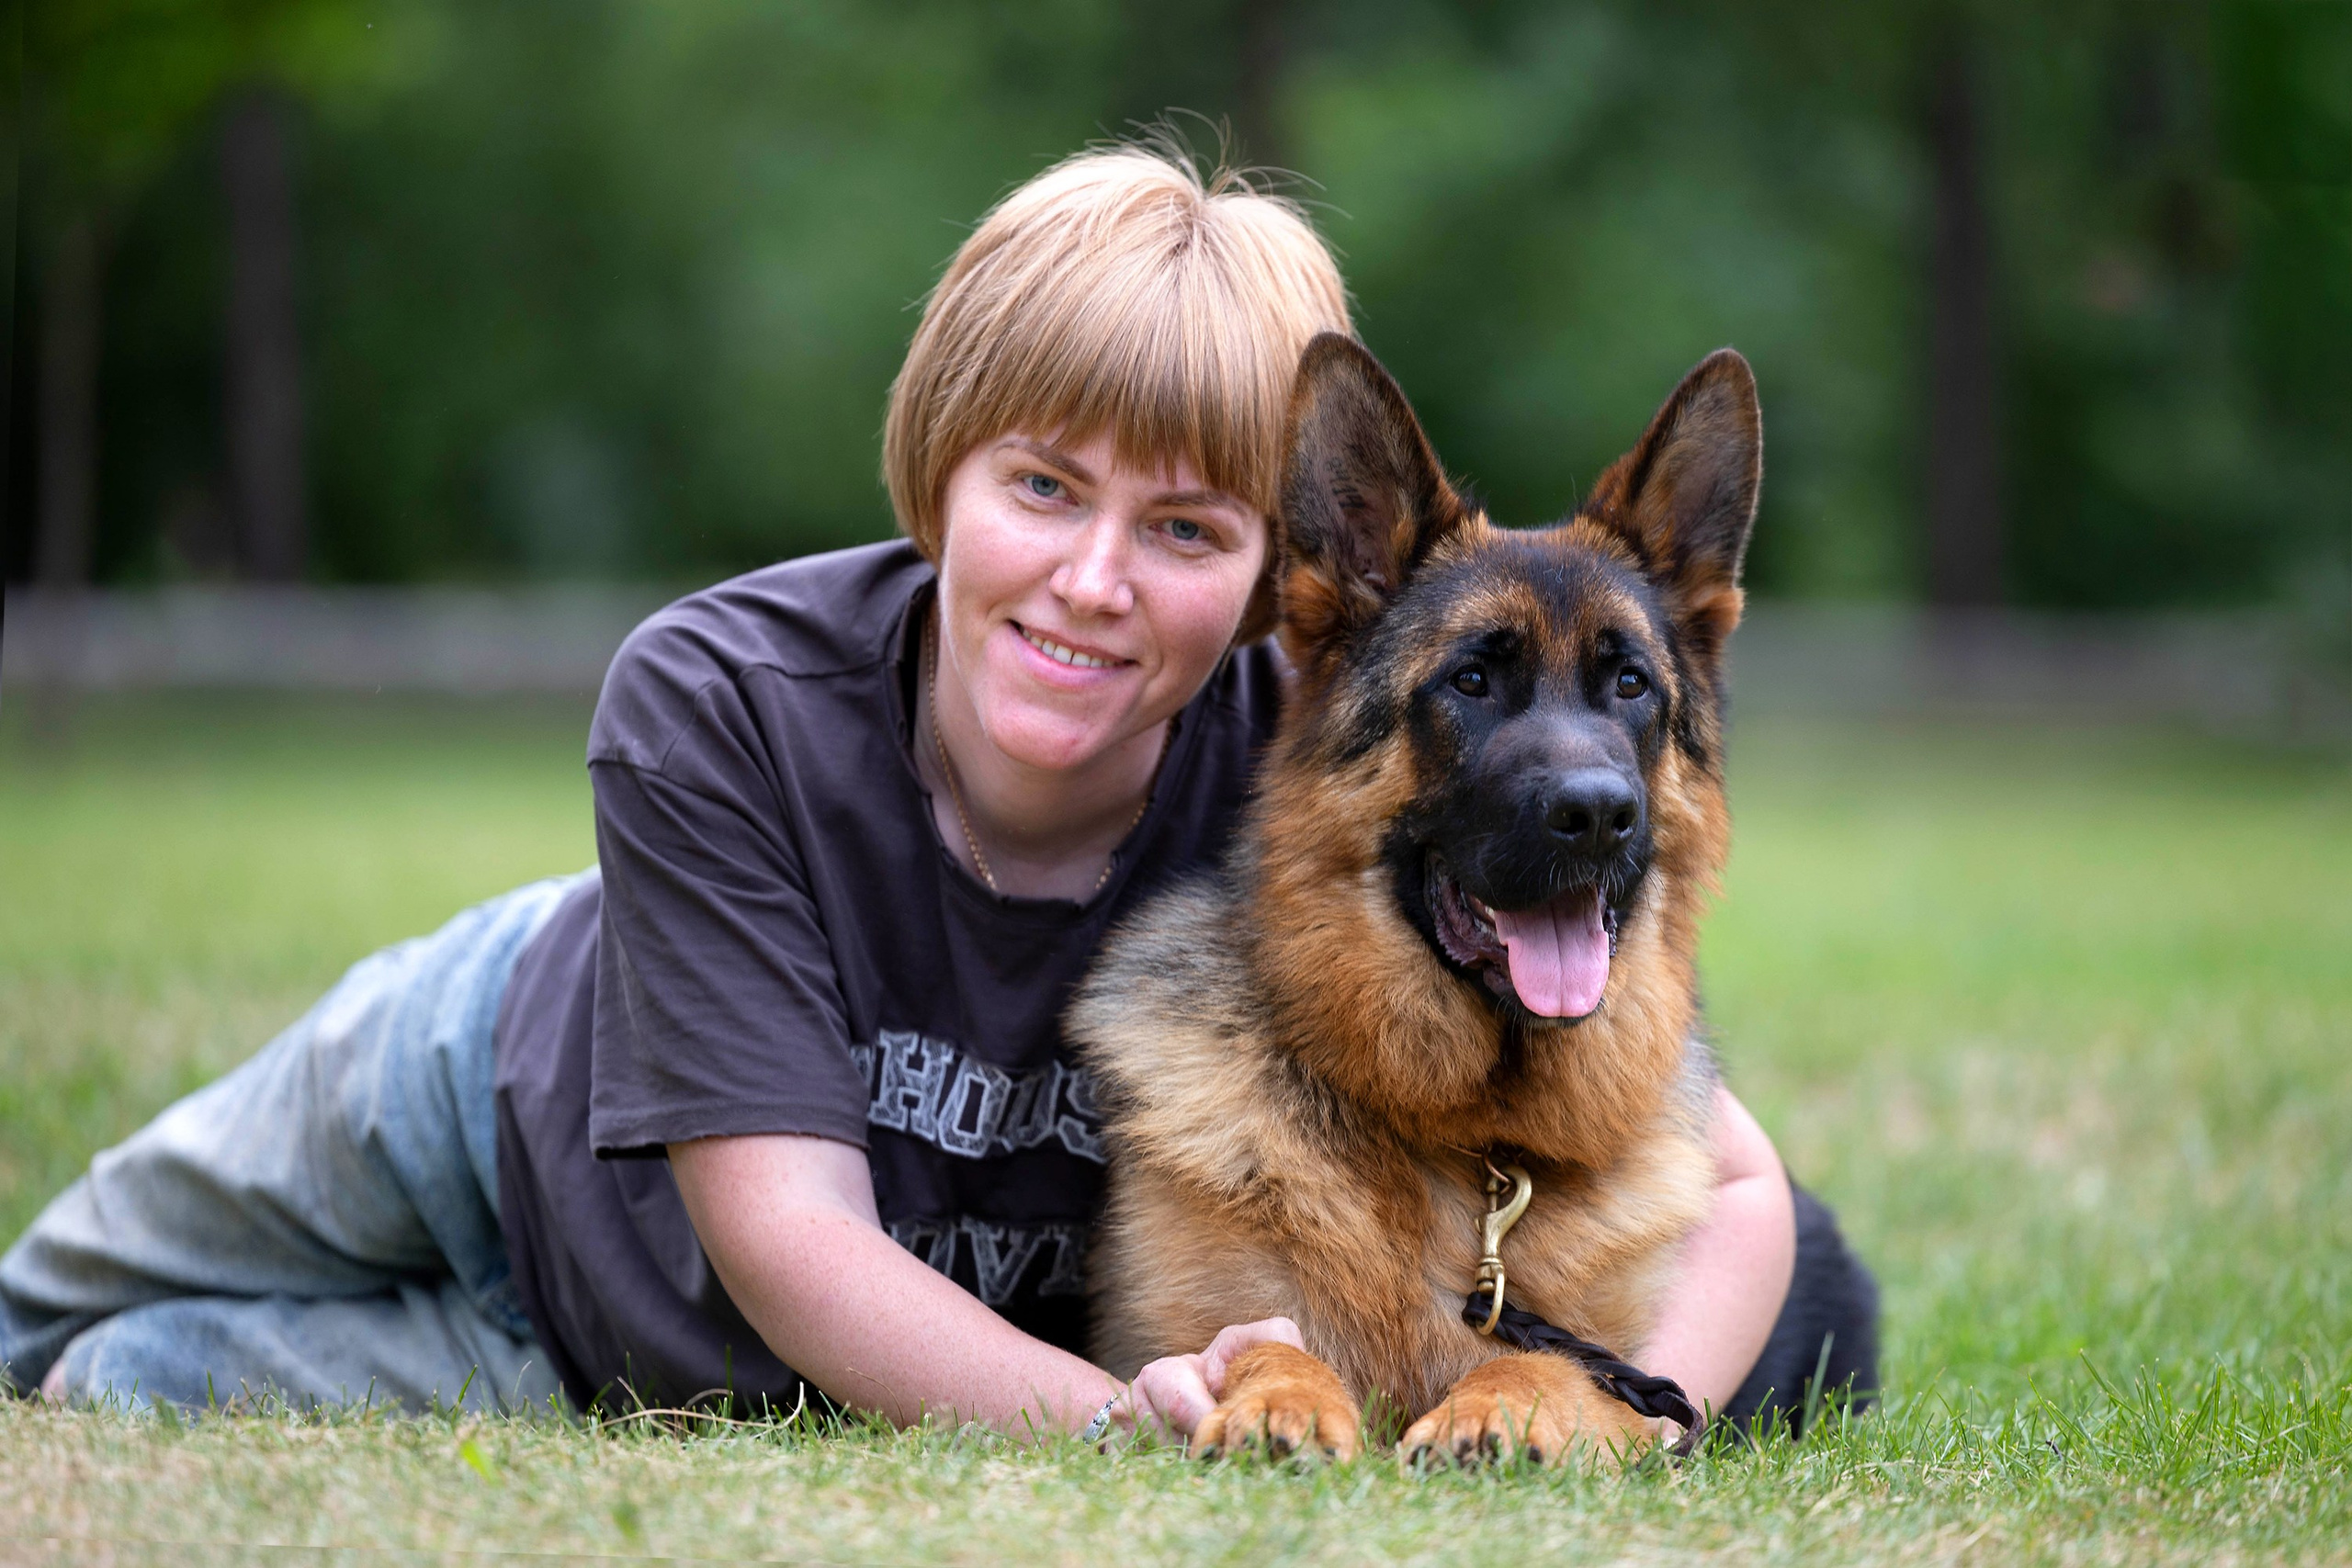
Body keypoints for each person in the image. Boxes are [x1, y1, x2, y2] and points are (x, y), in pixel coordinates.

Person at [0, 143, 1871, 1441]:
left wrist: (1634, 1410)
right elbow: (796, 1238)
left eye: (1184, 526)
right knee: (26, 1309)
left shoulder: (1305, 753)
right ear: (939, 468)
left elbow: (1729, 1187)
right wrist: (1140, 1427)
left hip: (649, 1357)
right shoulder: (716, 692)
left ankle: (162, 1379)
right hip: (489, 1088)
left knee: (140, 1378)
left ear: (1272, 572)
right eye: (1040, 487)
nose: (1092, 581)